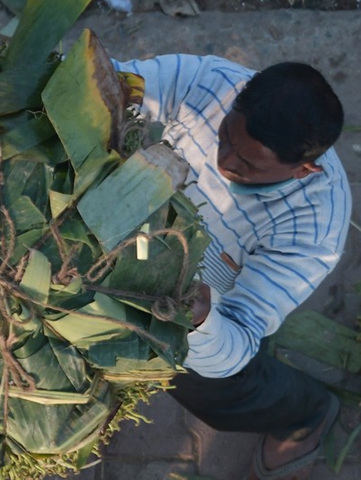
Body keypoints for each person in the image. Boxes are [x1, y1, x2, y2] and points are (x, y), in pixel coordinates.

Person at [112, 55, 349, 479]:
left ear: (303, 170)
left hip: (197, 306)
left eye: (248, 165)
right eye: (224, 137)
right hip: (136, 240)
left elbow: (237, 340)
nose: (224, 162)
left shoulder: (314, 230)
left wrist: (200, 320)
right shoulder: (208, 82)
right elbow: (112, 83)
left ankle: (305, 414)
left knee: (214, 388)